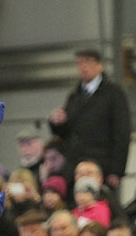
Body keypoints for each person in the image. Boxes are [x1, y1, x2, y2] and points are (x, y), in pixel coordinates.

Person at [49, 47, 131, 189]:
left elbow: (122, 134)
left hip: (101, 165)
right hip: (74, 166)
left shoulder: (114, 94)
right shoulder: (74, 96)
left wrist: (116, 170)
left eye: (88, 62)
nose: (83, 67)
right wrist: (57, 123)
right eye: (79, 63)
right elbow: (65, 133)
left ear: (100, 65)